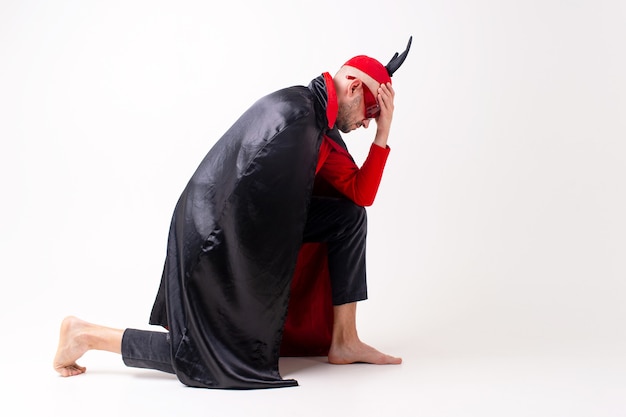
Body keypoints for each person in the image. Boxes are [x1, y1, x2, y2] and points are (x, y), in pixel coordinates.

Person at [54, 37, 412, 389]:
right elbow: (239, 207)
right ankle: (85, 334)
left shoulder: (319, 127)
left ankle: (344, 339)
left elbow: (359, 196)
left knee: (347, 217)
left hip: (257, 229)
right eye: (370, 112)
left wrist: (384, 132)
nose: (367, 124)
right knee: (214, 356)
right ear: (352, 87)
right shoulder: (295, 115)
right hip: (215, 238)